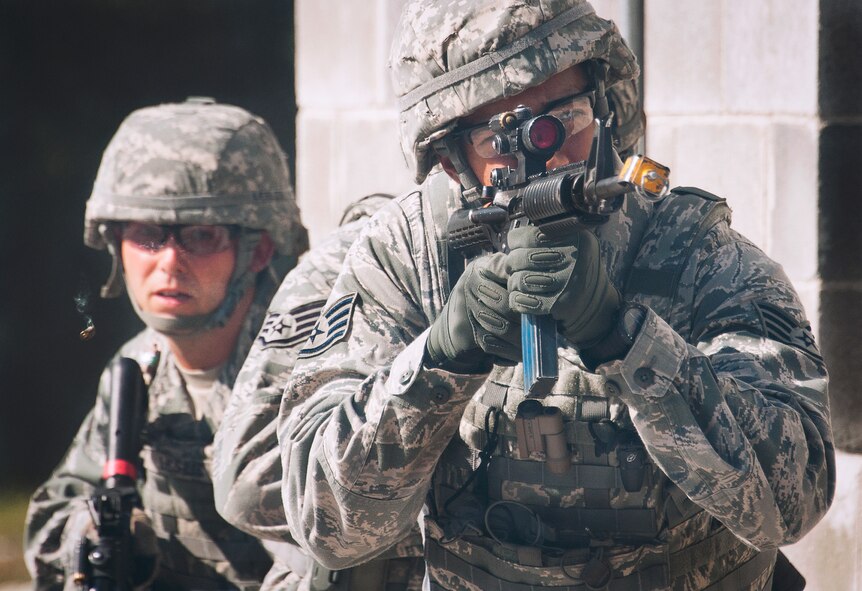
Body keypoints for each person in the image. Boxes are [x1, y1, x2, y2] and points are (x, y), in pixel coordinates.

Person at [275, 1, 835, 590]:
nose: (547, 154)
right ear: (449, 160)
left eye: (564, 117)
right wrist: (438, 362)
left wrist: (628, 342)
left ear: (605, 105)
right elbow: (326, 523)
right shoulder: (407, 256)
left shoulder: (694, 251)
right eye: (499, 139)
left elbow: (793, 497)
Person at [26, 97, 319, 590]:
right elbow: (53, 515)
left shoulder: (307, 367)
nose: (169, 262)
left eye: (200, 237)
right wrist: (93, 536)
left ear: (257, 249)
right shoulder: (140, 367)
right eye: (146, 235)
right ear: (115, 243)